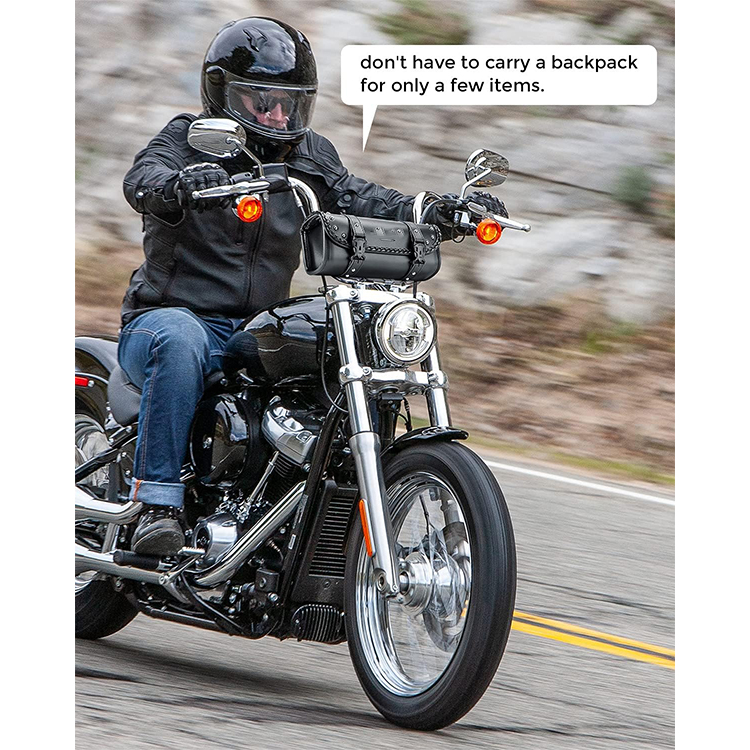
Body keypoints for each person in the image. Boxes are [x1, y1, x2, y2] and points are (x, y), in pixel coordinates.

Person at [119, 16, 506, 555]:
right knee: (181, 340)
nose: (279, 116)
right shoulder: (188, 141)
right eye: (264, 102)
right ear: (223, 94)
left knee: (334, 346)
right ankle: (155, 506)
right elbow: (142, 179)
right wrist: (180, 184)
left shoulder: (307, 155)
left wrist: (437, 209)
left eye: (290, 103)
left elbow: (359, 196)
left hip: (253, 330)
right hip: (169, 319)